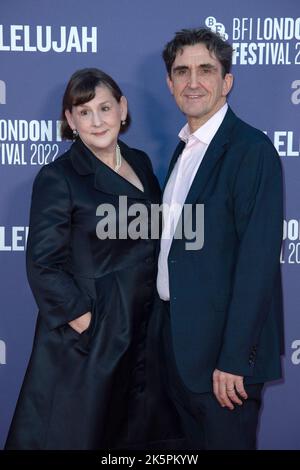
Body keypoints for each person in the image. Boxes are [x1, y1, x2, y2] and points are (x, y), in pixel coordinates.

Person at [5, 68, 181, 450]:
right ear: (70, 120)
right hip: (89, 340)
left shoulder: (140, 162)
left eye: (104, 107)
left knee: (130, 436)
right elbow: (42, 263)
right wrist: (86, 320)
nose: (97, 120)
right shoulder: (59, 177)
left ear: (123, 108)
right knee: (76, 435)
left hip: (142, 330)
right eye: (84, 112)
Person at [157, 28, 284, 450]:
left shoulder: (251, 150)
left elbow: (257, 262)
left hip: (224, 370)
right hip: (181, 356)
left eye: (205, 70)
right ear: (170, 83)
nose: (193, 82)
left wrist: (234, 360)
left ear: (226, 82)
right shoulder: (184, 150)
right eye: (182, 71)